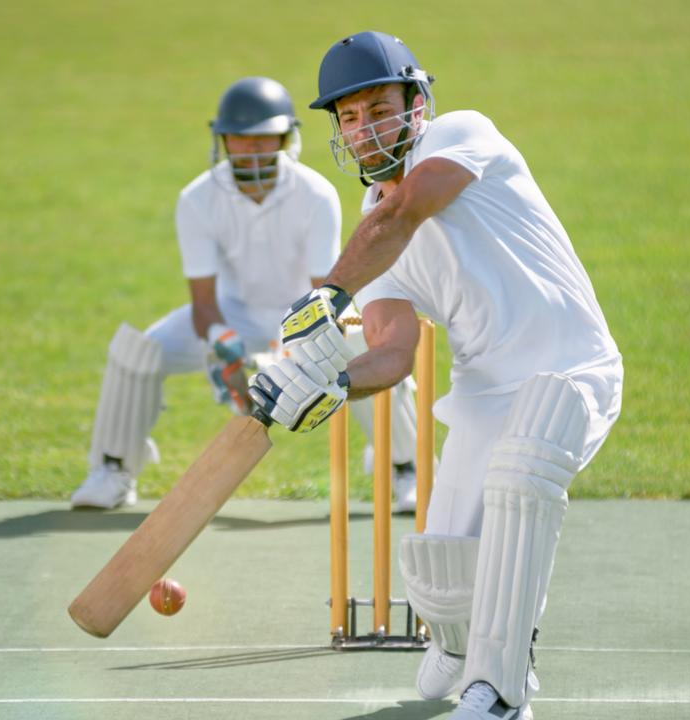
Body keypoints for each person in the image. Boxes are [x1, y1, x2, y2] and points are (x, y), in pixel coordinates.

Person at [249, 32, 623, 720]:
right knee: (442, 566)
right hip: (484, 394)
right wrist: (330, 386)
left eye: (379, 108)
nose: (366, 128)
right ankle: (458, 637)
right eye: (350, 117)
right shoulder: (373, 234)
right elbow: (392, 352)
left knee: (522, 479)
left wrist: (327, 295)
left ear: (416, 104)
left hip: (571, 368)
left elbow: (408, 210)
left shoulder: (459, 136)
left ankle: (502, 690)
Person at [71, 76, 421, 511]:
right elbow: (202, 303)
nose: (252, 150)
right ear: (223, 141)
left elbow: (324, 293)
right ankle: (112, 469)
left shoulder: (315, 194)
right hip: (231, 318)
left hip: (304, 316)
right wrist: (223, 344)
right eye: (241, 139)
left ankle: (407, 469)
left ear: (285, 138)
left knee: (366, 344)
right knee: (138, 350)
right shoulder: (197, 199)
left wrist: (281, 355)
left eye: (263, 139)